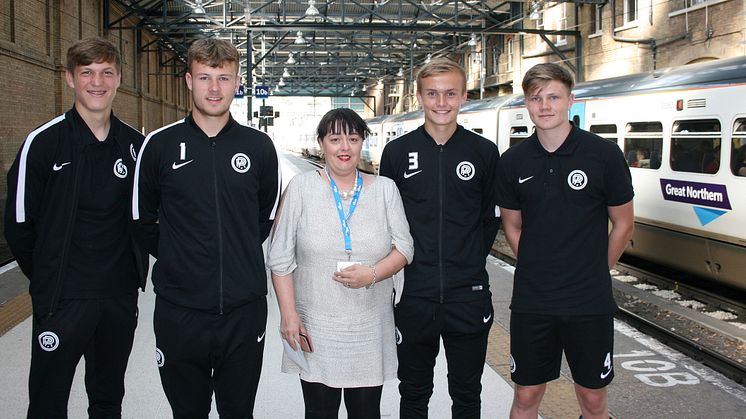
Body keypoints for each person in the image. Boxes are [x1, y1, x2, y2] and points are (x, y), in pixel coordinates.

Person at [131, 38, 281, 418]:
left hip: (243, 310)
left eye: (224, 78)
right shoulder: (160, 145)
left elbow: (263, 219)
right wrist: (182, 258)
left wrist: (232, 253)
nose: (214, 88)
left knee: (238, 412)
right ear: (188, 80)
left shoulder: (260, 146)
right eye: (204, 77)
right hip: (179, 311)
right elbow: (141, 219)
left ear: (236, 83)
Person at [4, 37, 148, 418]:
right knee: (48, 402)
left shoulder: (136, 146)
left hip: (118, 298)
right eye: (86, 72)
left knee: (107, 400)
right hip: (62, 300)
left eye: (106, 72)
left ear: (118, 79)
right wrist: (51, 276)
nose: (96, 82)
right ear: (70, 79)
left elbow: (152, 216)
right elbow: (18, 223)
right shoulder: (44, 143)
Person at [496, 63, 634, 419]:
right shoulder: (513, 161)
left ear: (571, 99)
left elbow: (623, 224)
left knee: (592, 400)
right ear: (526, 104)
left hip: (588, 302)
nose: (545, 105)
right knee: (526, 395)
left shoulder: (603, 155)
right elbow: (512, 225)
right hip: (533, 301)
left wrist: (595, 270)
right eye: (536, 98)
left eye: (553, 96)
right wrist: (537, 266)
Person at [267, 108, 414, 419]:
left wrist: (373, 273)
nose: (344, 147)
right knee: (319, 411)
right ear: (322, 143)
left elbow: (405, 247)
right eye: (335, 139)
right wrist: (289, 315)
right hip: (316, 324)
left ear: (363, 143)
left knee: (366, 412)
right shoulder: (302, 189)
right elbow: (279, 257)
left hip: (369, 325)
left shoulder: (385, 189)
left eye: (353, 138)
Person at [378, 57, 501, 418]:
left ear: (464, 95)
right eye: (432, 93)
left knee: (467, 393)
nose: (441, 102)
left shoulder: (483, 152)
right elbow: (388, 220)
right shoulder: (397, 153)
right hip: (414, 295)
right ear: (419, 97)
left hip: (469, 296)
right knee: (414, 392)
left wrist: (467, 265)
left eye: (450, 93)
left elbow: (488, 219)